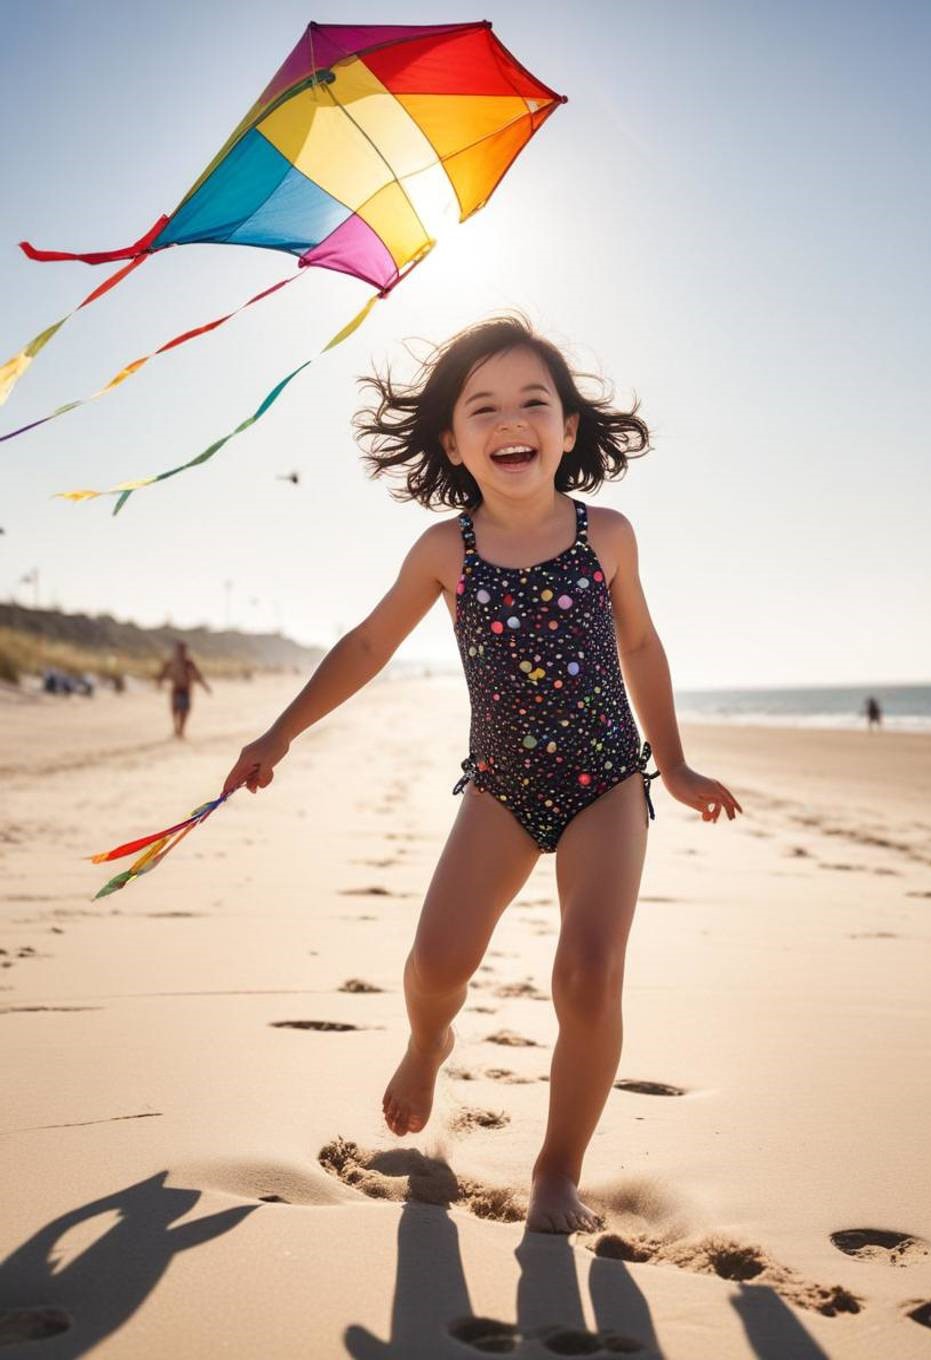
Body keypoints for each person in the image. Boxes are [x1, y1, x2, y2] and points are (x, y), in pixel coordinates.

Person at [220, 316, 743, 1235]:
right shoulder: (445, 549)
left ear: (569, 430)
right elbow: (371, 643)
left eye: (534, 401)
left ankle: (557, 1171)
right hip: (500, 786)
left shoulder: (607, 535)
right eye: (485, 407)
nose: (513, 419)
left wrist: (679, 763)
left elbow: (643, 645)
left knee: (587, 973)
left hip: (608, 783)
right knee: (435, 962)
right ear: (455, 442)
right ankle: (429, 1043)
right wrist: (280, 731)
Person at [156, 641, 211, 739]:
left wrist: (205, 687)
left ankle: (181, 730)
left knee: (183, 711)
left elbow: (198, 675)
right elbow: (162, 673)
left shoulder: (188, 662)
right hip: (176, 690)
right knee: (175, 710)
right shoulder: (172, 661)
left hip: (185, 690)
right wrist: (159, 682)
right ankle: (177, 730)